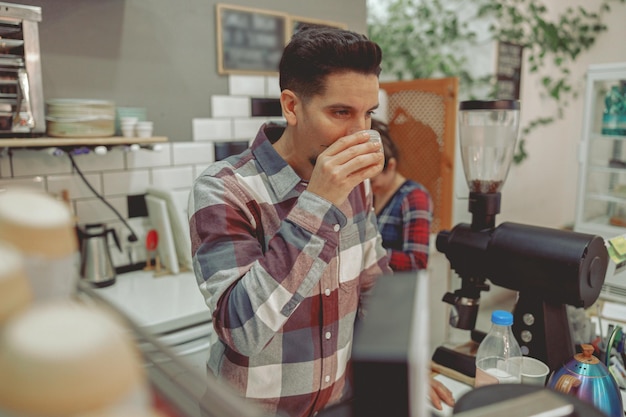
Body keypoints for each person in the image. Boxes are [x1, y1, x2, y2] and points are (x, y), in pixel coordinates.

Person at [189, 26, 453, 417]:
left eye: (367, 114)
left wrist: (404, 369)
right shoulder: (224, 189)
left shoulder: (356, 186)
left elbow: (372, 285)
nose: (360, 133)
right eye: (340, 112)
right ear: (292, 107)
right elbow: (242, 331)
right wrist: (317, 201)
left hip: (337, 407)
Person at [369, 119, 433, 271]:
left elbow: (417, 262)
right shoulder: (371, 194)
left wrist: (368, 253)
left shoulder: (414, 197)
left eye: (372, 181)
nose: (368, 187)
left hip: (397, 289)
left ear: (391, 166)